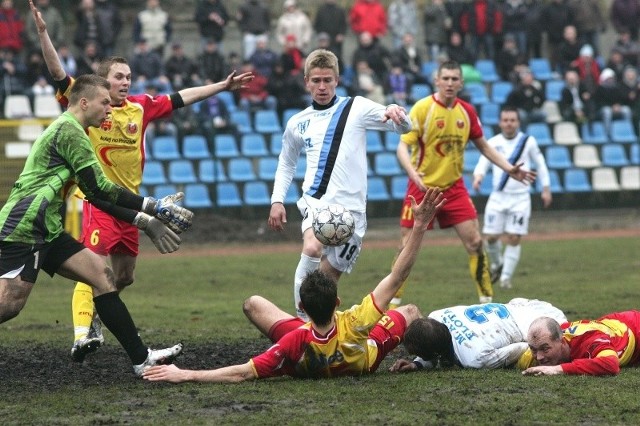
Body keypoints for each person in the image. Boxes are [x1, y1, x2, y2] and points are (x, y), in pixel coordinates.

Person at [29, 0, 254, 362]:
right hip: (100, 201)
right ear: (103, 83)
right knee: (94, 267)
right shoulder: (88, 105)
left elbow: (182, 98)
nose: (126, 82)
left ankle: (101, 315)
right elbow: (57, 71)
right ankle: (81, 334)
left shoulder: (140, 107)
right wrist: (43, 34)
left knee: (124, 277)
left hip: (129, 204)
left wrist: (222, 87)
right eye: (119, 76)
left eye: (129, 77)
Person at [142, 187, 446, 383]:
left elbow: (242, 372)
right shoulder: (356, 322)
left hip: (307, 345)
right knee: (409, 309)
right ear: (337, 304)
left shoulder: (292, 344)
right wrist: (419, 225)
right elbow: (398, 276)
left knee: (252, 303)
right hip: (365, 358)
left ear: (302, 308)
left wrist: (185, 374)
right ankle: (423, 361)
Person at [0, 73, 189, 377]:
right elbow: (101, 189)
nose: (109, 109)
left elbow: (95, 197)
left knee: (102, 277)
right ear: (84, 102)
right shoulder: (70, 131)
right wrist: (151, 207)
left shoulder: (76, 131)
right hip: (26, 226)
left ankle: (142, 361)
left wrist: (144, 221)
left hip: (46, 228)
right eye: (104, 102)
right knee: (9, 305)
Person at [267, 49, 411, 320]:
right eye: (317, 80)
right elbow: (286, 163)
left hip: (353, 212)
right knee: (311, 248)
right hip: (316, 202)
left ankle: (320, 327)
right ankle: (301, 324)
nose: (322, 87)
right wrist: (277, 200)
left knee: (327, 280)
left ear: (337, 80)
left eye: (328, 81)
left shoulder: (356, 107)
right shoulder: (297, 123)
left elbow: (405, 128)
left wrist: (397, 114)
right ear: (307, 81)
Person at [389, 60, 536, 309]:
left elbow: (484, 146)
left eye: (454, 79)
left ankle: (488, 300)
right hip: (422, 188)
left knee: (476, 243)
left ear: (461, 82)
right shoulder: (423, 109)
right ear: (437, 81)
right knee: (406, 248)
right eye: (445, 78)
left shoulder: (467, 111)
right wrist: (412, 173)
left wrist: (509, 168)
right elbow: (402, 146)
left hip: (454, 188)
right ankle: (391, 304)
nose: (449, 83)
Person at [472, 106, 551, 290]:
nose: (509, 123)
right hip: (498, 197)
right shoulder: (493, 142)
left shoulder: (528, 142)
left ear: (518, 122)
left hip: (520, 197)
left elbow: (541, 165)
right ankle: (498, 263)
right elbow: (483, 162)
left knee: (514, 237)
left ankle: (506, 278)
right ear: (500, 122)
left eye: (512, 120)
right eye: (505, 120)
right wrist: (478, 176)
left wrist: (546, 189)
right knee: (490, 238)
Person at [389, 298, 567, 371]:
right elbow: (440, 346)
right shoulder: (436, 315)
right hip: (518, 304)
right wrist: (416, 364)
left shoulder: (473, 357)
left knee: (559, 350)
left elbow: (522, 347)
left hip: (546, 319)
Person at [520, 311, 640, 376]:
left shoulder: (591, 342)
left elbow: (611, 365)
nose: (539, 357)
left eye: (545, 349)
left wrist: (558, 369)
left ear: (562, 342)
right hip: (611, 323)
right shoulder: (541, 344)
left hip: (635, 328)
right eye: (534, 350)